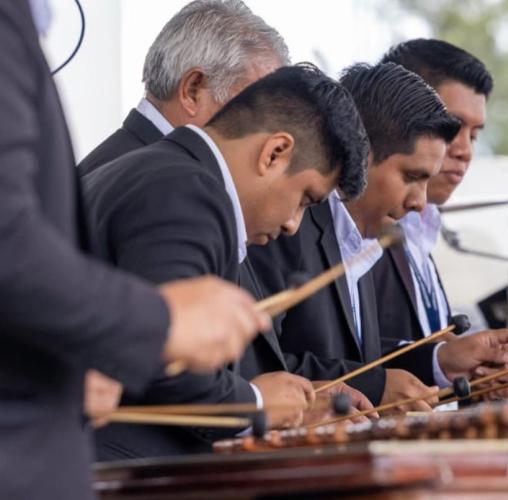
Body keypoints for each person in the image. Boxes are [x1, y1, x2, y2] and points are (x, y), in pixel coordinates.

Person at [0, 1, 265, 498]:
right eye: (261, 105)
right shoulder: (174, 180)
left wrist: (72, 367)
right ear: (194, 89)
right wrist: (160, 320)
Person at [82, 63, 373, 459]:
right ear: (275, 153)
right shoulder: (188, 191)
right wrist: (255, 403)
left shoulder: (158, 171)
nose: (293, 224)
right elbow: (168, 356)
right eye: (305, 199)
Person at [250, 63, 508, 412]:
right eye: (412, 176)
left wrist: (440, 362)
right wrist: (376, 386)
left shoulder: (363, 239)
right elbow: (255, 369)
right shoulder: (284, 228)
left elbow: (355, 358)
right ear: (359, 156)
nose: (420, 201)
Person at [371, 40, 508, 399]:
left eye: (475, 134)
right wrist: (441, 361)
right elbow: (343, 357)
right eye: (452, 127)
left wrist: (469, 376)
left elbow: (417, 377)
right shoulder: (356, 228)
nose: (465, 150)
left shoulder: (423, 228)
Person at [78, 0, 288, 177]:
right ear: (193, 91)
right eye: (257, 111)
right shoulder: (164, 183)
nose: (267, 138)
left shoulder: (134, 166)